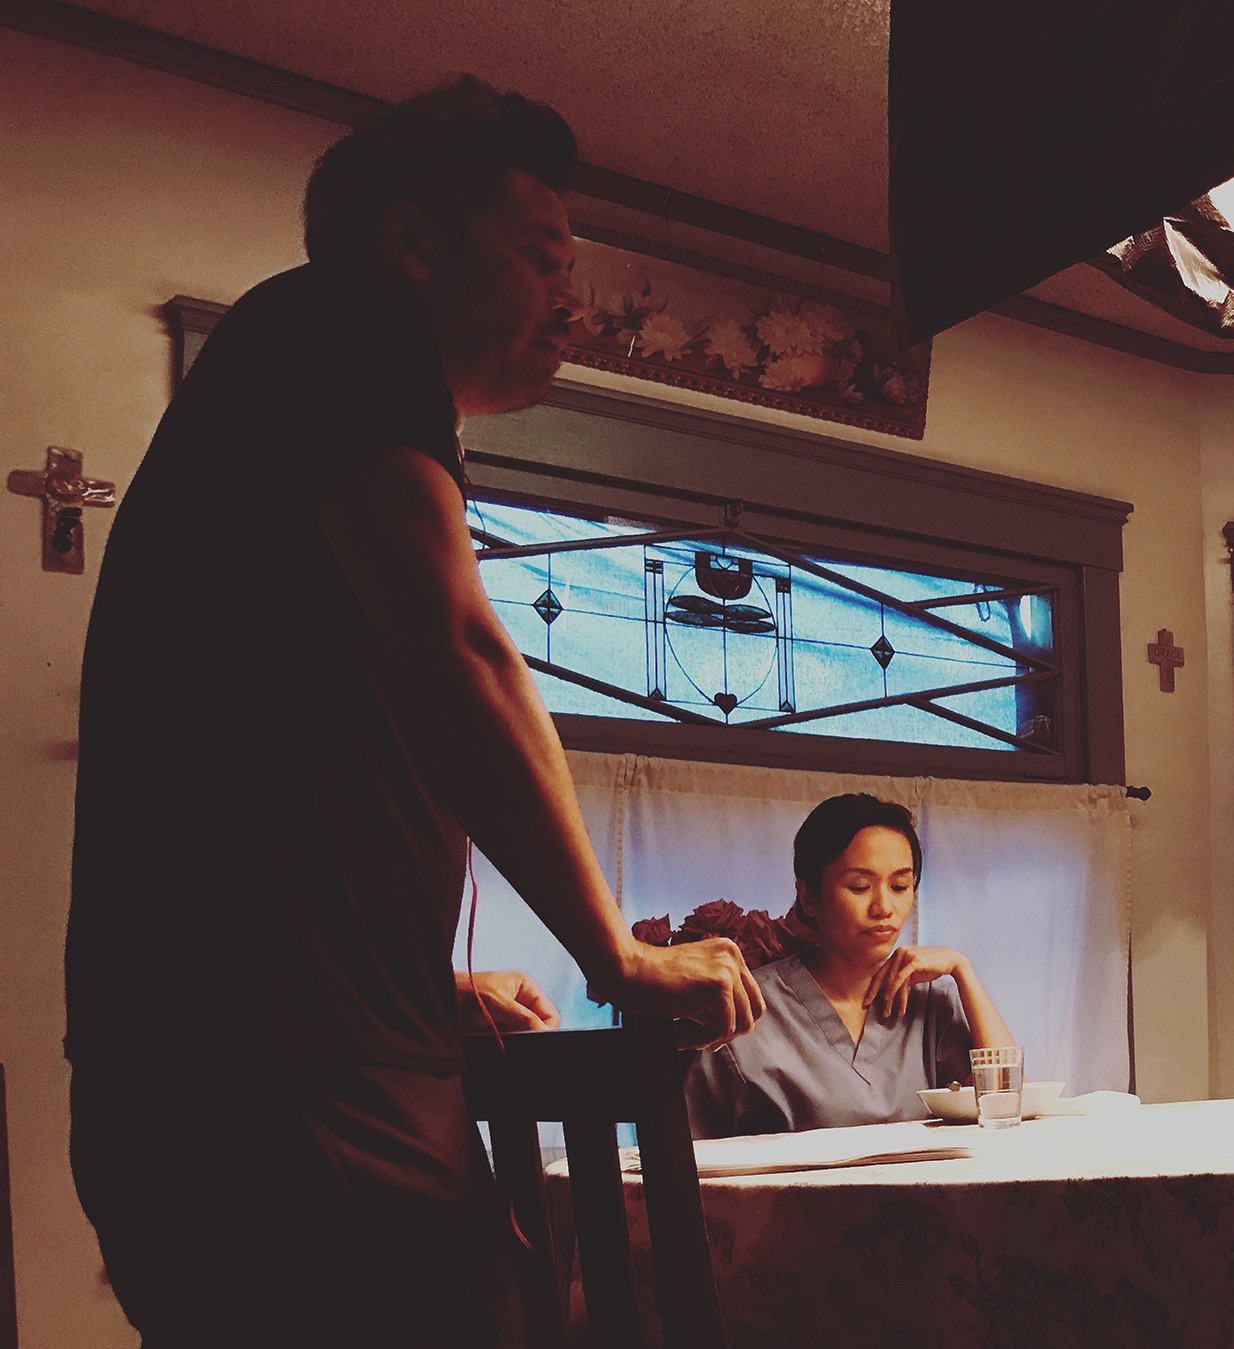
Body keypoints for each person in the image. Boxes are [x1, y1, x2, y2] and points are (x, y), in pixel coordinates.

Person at [67, 77, 763, 1348]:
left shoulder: (284, 402)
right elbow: (462, 651)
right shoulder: (341, 319)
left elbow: (267, 774)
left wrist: (416, 983)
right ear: (413, 242)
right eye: (542, 257)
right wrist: (621, 956)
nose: (576, 301)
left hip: (256, 1066)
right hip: (291, 1086)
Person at [686, 794, 1015, 1137]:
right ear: (809, 897)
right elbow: (692, 1150)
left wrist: (963, 970)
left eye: (900, 886)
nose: (884, 907)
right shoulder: (752, 1008)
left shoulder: (931, 1003)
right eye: (860, 887)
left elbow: (1005, 1103)